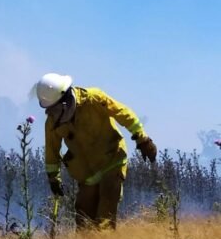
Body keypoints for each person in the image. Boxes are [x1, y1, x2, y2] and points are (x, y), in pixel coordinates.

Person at [35, 73, 157, 230]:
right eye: (48, 110)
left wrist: (143, 139)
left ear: (65, 102)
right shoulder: (52, 123)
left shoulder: (94, 99)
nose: (50, 114)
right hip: (87, 176)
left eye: (54, 110)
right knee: (83, 222)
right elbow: (51, 151)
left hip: (112, 161)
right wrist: (54, 179)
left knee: (105, 218)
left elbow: (123, 113)